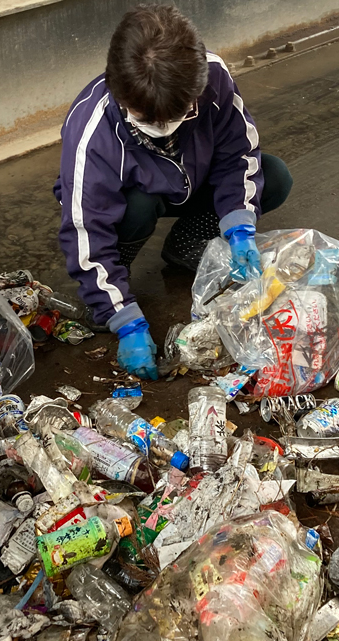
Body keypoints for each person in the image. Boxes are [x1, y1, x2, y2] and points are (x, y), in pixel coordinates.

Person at [54, 5, 293, 380]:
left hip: (192, 178)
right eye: (149, 121)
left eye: (176, 115)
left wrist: (239, 229)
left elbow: (238, 155)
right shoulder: (92, 132)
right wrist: (125, 322)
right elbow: (85, 234)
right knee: (135, 208)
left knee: (274, 176)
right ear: (119, 93)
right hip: (138, 197)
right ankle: (111, 293)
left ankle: (188, 243)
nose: (164, 128)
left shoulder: (213, 78)